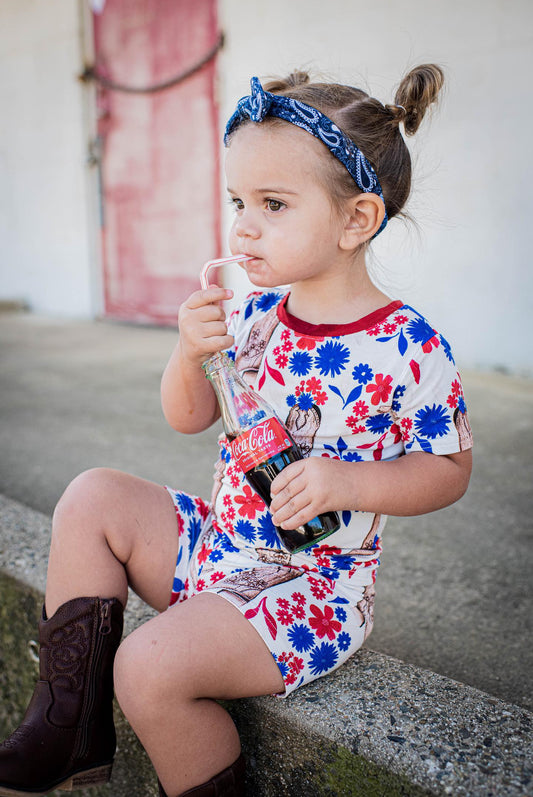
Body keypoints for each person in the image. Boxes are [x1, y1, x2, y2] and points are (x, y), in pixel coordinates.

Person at [0, 65, 473, 797]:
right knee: (93, 494)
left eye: (273, 204)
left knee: (149, 665)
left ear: (356, 220)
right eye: (236, 201)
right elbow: (186, 415)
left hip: (309, 588)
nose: (242, 225)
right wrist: (188, 351)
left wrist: (351, 480)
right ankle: (67, 727)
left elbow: (448, 469)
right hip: (219, 549)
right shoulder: (251, 316)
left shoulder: (408, 346)